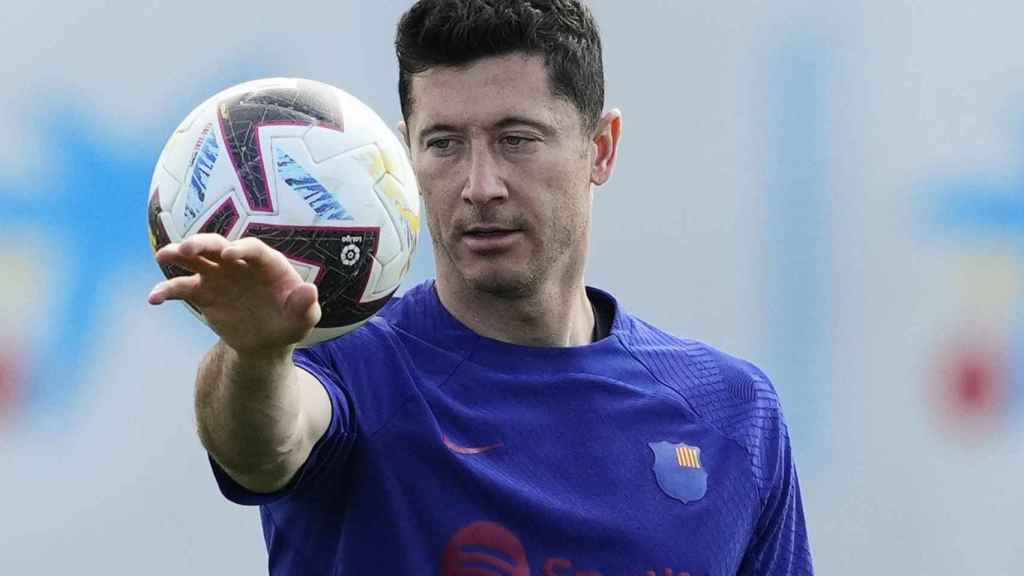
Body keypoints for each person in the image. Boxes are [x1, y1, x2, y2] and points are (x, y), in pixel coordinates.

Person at [148, 0, 813, 573]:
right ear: (405, 155)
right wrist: (256, 352)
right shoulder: (347, 367)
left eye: (516, 139)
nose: (479, 185)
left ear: (601, 148)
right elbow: (262, 447)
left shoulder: (731, 413)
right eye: (443, 145)